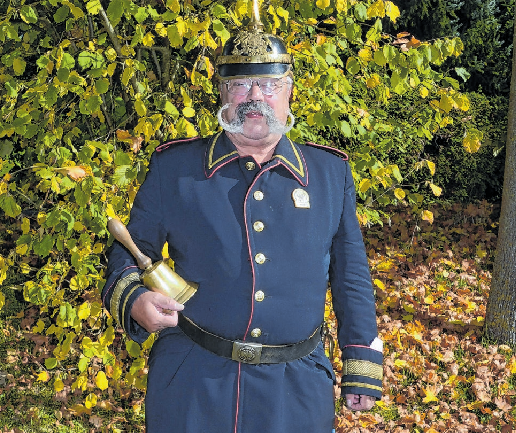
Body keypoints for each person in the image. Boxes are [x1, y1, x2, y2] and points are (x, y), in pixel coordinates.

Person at [102, 8, 383, 433]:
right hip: (192, 382)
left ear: (289, 91)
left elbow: (351, 276)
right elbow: (127, 248)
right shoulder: (175, 168)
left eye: (268, 84)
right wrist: (136, 300)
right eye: (240, 84)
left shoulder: (329, 174)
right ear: (222, 93)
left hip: (298, 389)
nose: (255, 96)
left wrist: (361, 362)